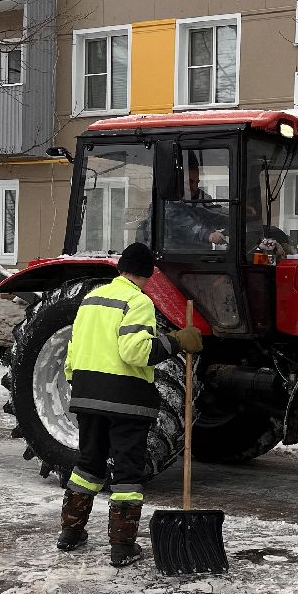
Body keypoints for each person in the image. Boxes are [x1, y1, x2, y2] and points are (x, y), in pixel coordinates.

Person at [56, 242, 203, 565]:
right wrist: (177, 340)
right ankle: (122, 547)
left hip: (86, 393)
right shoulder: (138, 302)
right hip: (125, 400)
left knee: (88, 464)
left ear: (120, 269)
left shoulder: (91, 298)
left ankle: (70, 533)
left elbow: (73, 350)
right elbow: (136, 352)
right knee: (127, 473)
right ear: (148, 275)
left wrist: (79, 385)